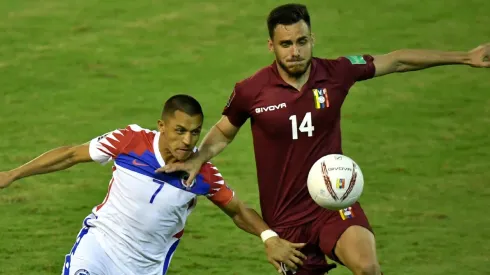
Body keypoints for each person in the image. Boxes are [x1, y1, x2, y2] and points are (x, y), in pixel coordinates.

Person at [157, 4, 490, 275]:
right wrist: (198, 158)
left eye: (302, 41)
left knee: (368, 267)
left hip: (335, 204)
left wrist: (464, 57)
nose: (295, 51)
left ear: (312, 39)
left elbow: (397, 60)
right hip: (285, 221)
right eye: (286, 44)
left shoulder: (337, 73)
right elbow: (223, 132)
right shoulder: (251, 91)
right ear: (271, 46)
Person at [0, 94, 307, 275]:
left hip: (145, 268)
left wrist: (269, 237)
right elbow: (69, 155)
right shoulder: (129, 141)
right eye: (180, 130)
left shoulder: (202, 174)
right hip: (99, 249)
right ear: (162, 126)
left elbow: (238, 211)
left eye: (195, 133)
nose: (187, 141)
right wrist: (12, 174)